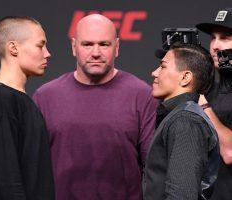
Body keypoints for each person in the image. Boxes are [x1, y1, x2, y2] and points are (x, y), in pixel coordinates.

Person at [33, 14, 157, 199]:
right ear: (74, 47)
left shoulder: (142, 95)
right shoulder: (45, 97)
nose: (96, 52)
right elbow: (33, 168)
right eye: (87, 44)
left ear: (117, 47)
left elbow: (154, 167)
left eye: (104, 44)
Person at [0, 16, 54, 200]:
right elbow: (7, 177)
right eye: (40, 46)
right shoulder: (0, 99)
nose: (47, 53)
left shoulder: (17, 99)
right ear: (13, 48)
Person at [143, 43, 220, 200]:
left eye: (162, 67)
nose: (154, 73)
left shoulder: (186, 121)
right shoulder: (181, 116)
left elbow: (182, 195)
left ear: (185, 77)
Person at [196, 7, 232, 200]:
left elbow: (229, 152)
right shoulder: (209, 90)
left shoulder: (202, 98)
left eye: (225, 38)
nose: (216, 45)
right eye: (213, 37)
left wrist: (201, 104)